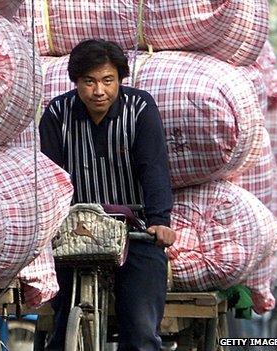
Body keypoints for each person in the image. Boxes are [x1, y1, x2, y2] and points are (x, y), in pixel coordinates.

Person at [39, 39, 176, 350]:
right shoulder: (57, 114)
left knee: (141, 334)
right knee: (59, 334)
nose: (98, 90)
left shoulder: (139, 108)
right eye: (89, 81)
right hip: (75, 233)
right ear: (76, 82)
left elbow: (153, 168)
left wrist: (159, 220)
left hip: (135, 229)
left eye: (107, 80)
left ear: (120, 79)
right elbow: (50, 177)